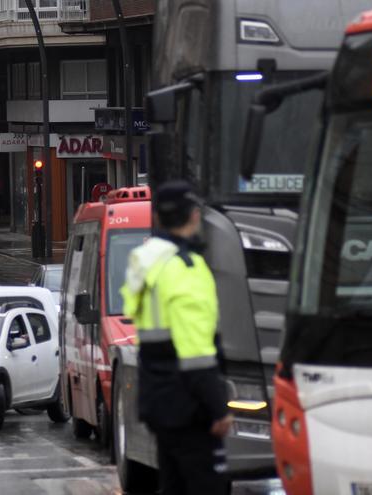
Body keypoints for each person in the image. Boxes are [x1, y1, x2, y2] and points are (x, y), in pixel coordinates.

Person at [120, 180, 233, 495]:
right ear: (195, 216)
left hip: (158, 398)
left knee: (172, 484)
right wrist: (218, 407)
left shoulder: (144, 261)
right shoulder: (185, 267)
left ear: (156, 218)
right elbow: (196, 352)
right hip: (190, 403)